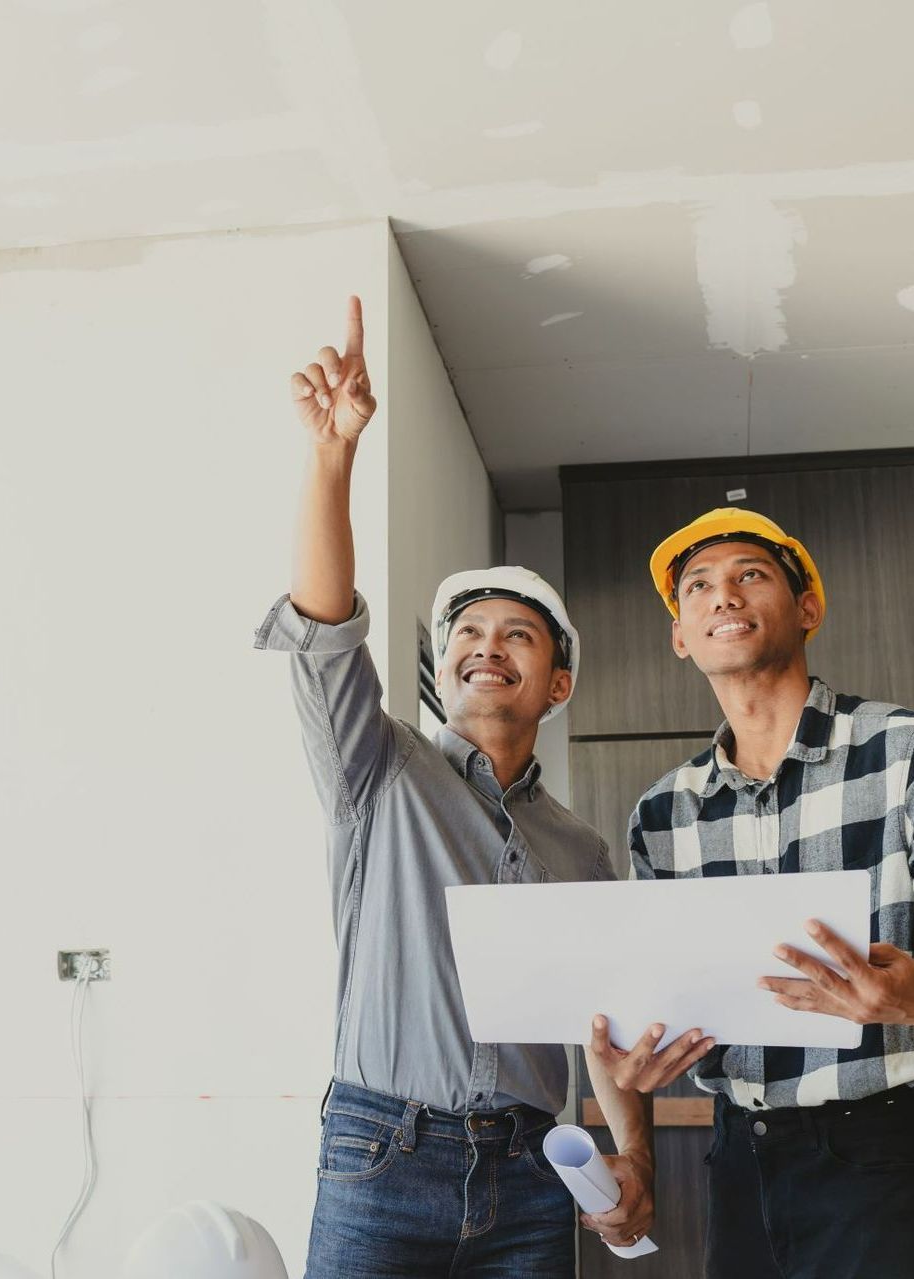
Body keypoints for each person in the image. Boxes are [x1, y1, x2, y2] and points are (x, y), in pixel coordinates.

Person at [255, 295, 656, 1276]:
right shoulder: (378, 771)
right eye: (465, 635)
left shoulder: (579, 850)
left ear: (554, 683)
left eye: (515, 634)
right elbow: (323, 631)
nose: (485, 647)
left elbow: (601, 1031)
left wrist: (634, 1151)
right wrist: (333, 454)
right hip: (379, 1154)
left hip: (529, 1172)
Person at [587, 507, 914, 1279]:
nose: (722, 596)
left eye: (750, 576)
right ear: (680, 635)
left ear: (807, 609)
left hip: (886, 1155)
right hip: (740, 1157)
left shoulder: (909, 749)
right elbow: (645, 1001)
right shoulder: (664, 813)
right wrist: (634, 1105)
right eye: (697, 587)